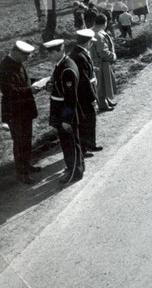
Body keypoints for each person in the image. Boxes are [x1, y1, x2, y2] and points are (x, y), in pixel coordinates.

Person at [0, 40, 42, 184]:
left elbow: (23, 80)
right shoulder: (4, 67)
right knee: (19, 142)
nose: (28, 59)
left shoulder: (16, 63)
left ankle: (27, 165)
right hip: (14, 113)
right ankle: (21, 173)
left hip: (24, 110)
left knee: (27, 139)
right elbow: (9, 91)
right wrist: (30, 90)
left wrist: (38, 82)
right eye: (26, 56)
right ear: (17, 53)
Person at [44, 38, 84, 186]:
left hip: (65, 112)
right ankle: (76, 167)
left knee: (70, 143)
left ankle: (74, 172)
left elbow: (70, 98)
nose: (49, 56)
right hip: (60, 110)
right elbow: (58, 85)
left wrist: (67, 120)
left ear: (60, 50)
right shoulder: (60, 65)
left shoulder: (67, 68)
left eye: (51, 53)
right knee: (67, 142)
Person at [69, 29, 102, 156]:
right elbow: (84, 81)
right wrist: (93, 98)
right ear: (87, 42)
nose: (92, 44)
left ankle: (90, 144)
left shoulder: (81, 53)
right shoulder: (79, 56)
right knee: (85, 121)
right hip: (85, 95)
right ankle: (84, 148)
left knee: (91, 119)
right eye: (91, 42)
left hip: (87, 91)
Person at [92, 14, 118, 112]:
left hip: (97, 62)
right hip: (101, 62)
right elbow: (102, 51)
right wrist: (113, 56)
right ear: (105, 23)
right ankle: (103, 103)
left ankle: (106, 99)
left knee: (105, 82)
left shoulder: (93, 31)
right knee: (102, 83)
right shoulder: (99, 35)